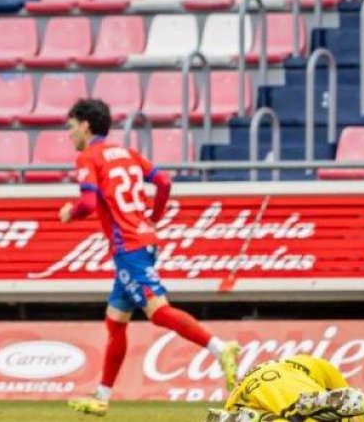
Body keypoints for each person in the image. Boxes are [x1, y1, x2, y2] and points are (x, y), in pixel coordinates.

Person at [61, 98, 239, 417]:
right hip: (142, 240)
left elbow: (88, 203)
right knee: (116, 321)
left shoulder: (89, 156)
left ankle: (220, 348)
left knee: (157, 311)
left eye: (71, 127)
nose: (69, 134)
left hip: (128, 246)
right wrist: (152, 218)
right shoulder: (128, 154)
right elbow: (164, 181)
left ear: (86, 126)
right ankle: (102, 396)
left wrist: (69, 214)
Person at [205, 354, 364, 422]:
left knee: (278, 416)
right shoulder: (329, 375)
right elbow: (356, 409)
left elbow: (350, 400)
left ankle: (261, 420)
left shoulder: (312, 363)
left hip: (242, 395)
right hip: (293, 384)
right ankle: (293, 414)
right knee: (355, 409)